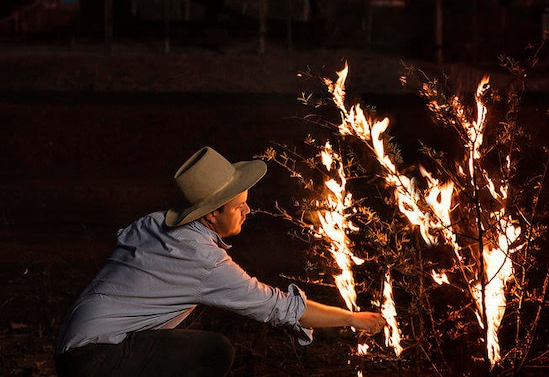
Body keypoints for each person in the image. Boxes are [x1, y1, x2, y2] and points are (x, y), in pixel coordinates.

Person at [55, 146, 385, 376]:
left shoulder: (156, 222)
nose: (248, 210)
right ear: (213, 214)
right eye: (238, 205)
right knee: (215, 351)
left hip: (76, 346)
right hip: (95, 358)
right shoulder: (202, 260)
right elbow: (279, 308)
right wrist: (352, 319)